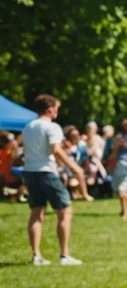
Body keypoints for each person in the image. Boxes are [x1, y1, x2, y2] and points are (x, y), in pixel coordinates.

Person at [23, 95, 90, 266]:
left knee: (36, 213)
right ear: (49, 109)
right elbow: (56, 150)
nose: (57, 112)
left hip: (30, 172)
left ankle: (36, 256)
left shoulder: (28, 127)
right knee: (65, 212)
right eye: (56, 108)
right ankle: (64, 255)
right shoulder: (52, 127)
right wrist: (75, 168)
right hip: (47, 172)